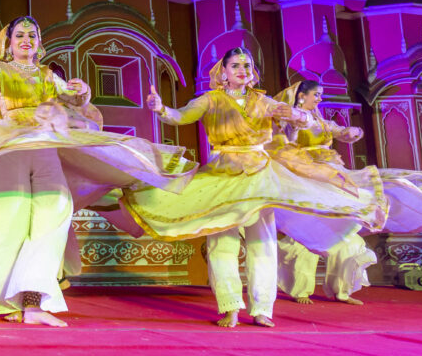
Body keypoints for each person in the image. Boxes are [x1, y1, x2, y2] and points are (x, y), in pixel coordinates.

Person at [0, 16, 195, 327]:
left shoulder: (47, 74)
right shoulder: (1, 70)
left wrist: (82, 90)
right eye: (19, 35)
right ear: (9, 43)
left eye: (32, 34)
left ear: (39, 42)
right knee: (4, 217)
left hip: (45, 146)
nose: (26, 40)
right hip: (13, 146)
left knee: (56, 210)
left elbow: (73, 97)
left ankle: (32, 302)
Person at [129, 48, 385, 328]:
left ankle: (262, 308)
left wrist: (306, 120)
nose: (242, 70)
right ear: (223, 71)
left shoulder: (263, 101)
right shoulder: (210, 99)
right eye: (236, 65)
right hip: (224, 173)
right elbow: (180, 117)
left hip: (261, 174)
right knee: (221, 243)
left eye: (247, 66)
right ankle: (230, 306)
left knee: (262, 243)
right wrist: (160, 108)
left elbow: (300, 116)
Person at [271, 80, 422, 305]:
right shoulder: (292, 117)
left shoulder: (321, 120)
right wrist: (296, 122)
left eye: (321, 95)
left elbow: (339, 131)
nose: (320, 99)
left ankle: (342, 289)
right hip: (308, 176)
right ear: (301, 96)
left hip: (333, 174)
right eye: (316, 95)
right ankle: (300, 288)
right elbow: (287, 142)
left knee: (347, 230)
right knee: (312, 230)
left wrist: (351, 133)